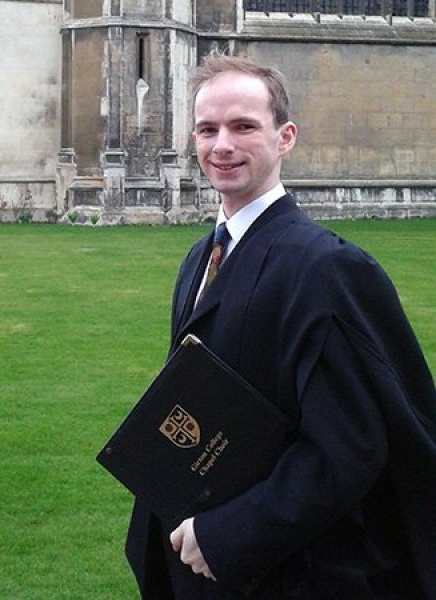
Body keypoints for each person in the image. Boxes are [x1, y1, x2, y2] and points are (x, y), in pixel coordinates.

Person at [124, 54, 436, 598]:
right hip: (198, 554)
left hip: (287, 571)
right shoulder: (201, 258)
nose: (222, 145)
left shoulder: (326, 270)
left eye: (244, 126)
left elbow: (348, 449)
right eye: (207, 129)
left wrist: (227, 535)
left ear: (285, 136)